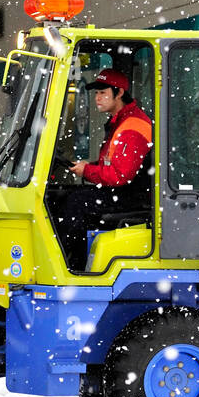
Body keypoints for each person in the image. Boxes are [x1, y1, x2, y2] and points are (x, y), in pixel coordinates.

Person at [56, 69, 154, 269]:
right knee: (63, 194)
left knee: (76, 203)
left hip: (132, 195)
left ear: (119, 93)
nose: (97, 98)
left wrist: (87, 171)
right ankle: (72, 261)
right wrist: (88, 167)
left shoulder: (133, 126)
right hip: (123, 191)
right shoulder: (120, 121)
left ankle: (68, 264)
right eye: (96, 93)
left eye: (103, 92)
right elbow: (111, 165)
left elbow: (120, 176)